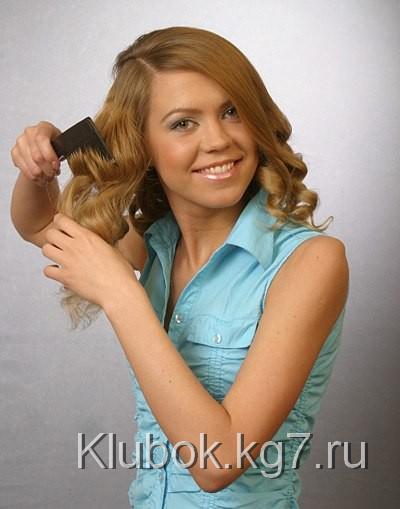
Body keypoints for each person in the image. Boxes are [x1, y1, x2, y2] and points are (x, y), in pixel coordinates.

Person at [10, 26, 349, 509]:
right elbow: (41, 223)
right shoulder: (154, 246)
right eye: (183, 123)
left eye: (231, 111)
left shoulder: (310, 262)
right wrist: (41, 162)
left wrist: (122, 296)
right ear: (142, 144)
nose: (218, 140)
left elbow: (219, 462)